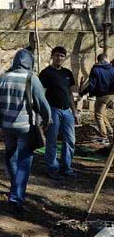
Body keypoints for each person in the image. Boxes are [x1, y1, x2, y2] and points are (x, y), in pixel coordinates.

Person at [0, 49, 52, 216]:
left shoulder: (3, 78)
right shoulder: (31, 78)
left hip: (7, 127)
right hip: (25, 127)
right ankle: (16, 198)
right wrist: (48, 121)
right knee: (24, 161)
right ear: (29, 62)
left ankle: (15, 186)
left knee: (10, 156)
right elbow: (42, 103)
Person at [39, 46, 78, 179]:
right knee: (52, 139)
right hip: (53, 110)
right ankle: (52, 168)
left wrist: (74, 111)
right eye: (56, 55)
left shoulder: (67, 73)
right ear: (52, 56)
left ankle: (66, 167)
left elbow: (70, 94)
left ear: (64, 58)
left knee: (70, 140)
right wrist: (44, 113)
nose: (59, 58)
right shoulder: (46, 73)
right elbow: (40, 93)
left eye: (62, 56)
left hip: (67, 111)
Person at [79, 53, 114, 144]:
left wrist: (82, 93)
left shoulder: (95, 69)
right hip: (112, 95)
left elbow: (92, 85)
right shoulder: (112, 68)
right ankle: (110, 131)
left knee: (98, 115)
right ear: (106, 59)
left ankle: (104, 137)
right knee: (102, 113)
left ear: (98, 60)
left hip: (102, 96)